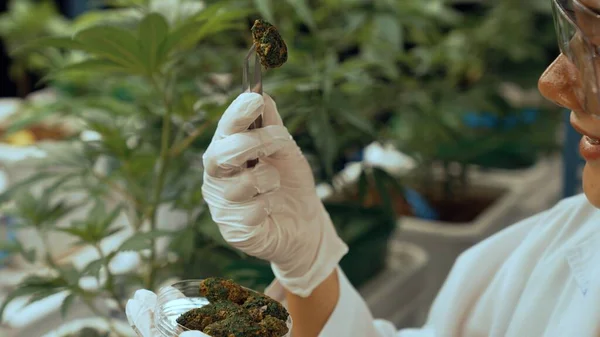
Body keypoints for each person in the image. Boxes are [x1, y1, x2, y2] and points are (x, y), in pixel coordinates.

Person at [126, 0, 600, 335]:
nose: (554, 83)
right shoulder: (549, 253)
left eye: (596, 48)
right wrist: (308, 268)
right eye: (571, 32)